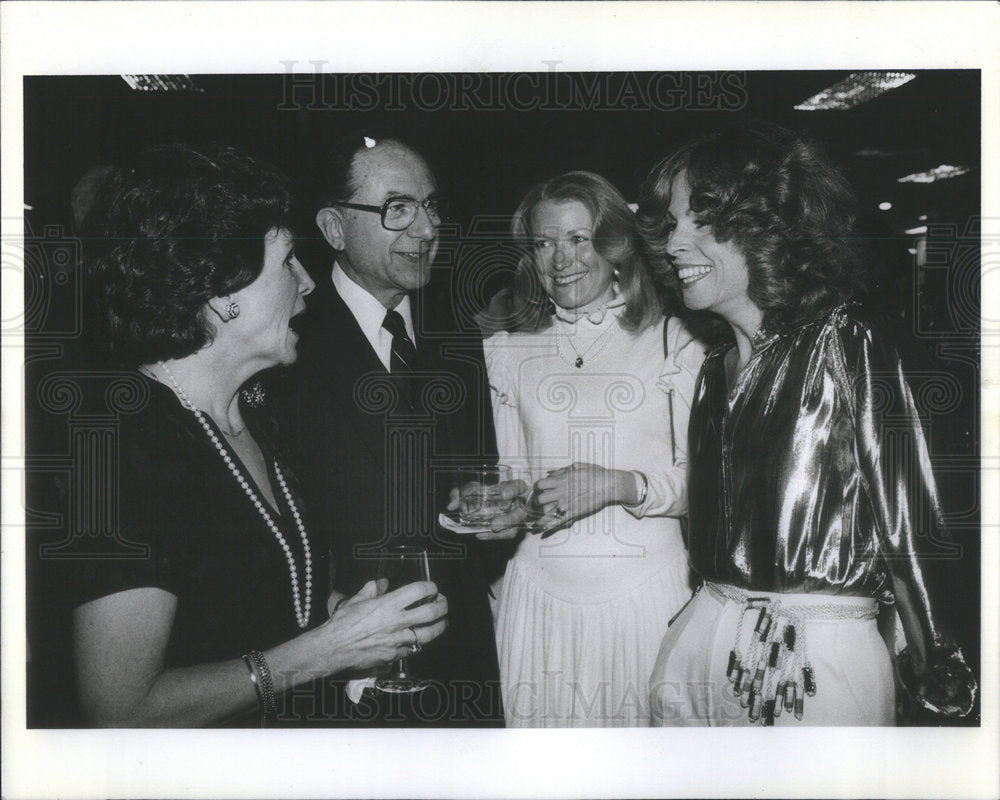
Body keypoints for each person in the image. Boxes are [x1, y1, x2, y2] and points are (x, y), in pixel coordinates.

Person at [68, 144, 447, 727]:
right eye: (288, 262)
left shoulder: (255, 413)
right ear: (221, 292)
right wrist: (325, 651)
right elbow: (119, 711)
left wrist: (351, 618)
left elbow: (263, 593)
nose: (308, 283)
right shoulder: (128, 448)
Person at [636, 121, 977, 726]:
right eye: (673, 223)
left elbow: (914, 530)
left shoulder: (851, 341)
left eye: (701, 220)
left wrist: (942, 678)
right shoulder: (714, 367)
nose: (673, 243)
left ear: (768, 226)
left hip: (810, 663)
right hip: (700, 640)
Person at [272, 132, 503, 726]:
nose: (426, 229)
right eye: (398, 208)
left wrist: (496, 514)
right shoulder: (283, 345)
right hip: (344, 673)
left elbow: (476, 477)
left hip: (464, 661)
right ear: (334, 228)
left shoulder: (457, 333)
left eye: (431, 206)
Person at [474, 171, 703, 727]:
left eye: (578, 239)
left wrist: (618, 485)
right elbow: (514, 470)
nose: (561, 260)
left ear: (615, 245)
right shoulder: (507, 351)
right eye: (544, 243)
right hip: (537, 605)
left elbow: (705, 484)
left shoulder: (674, 342)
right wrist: (499, 501)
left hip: (645, 603)